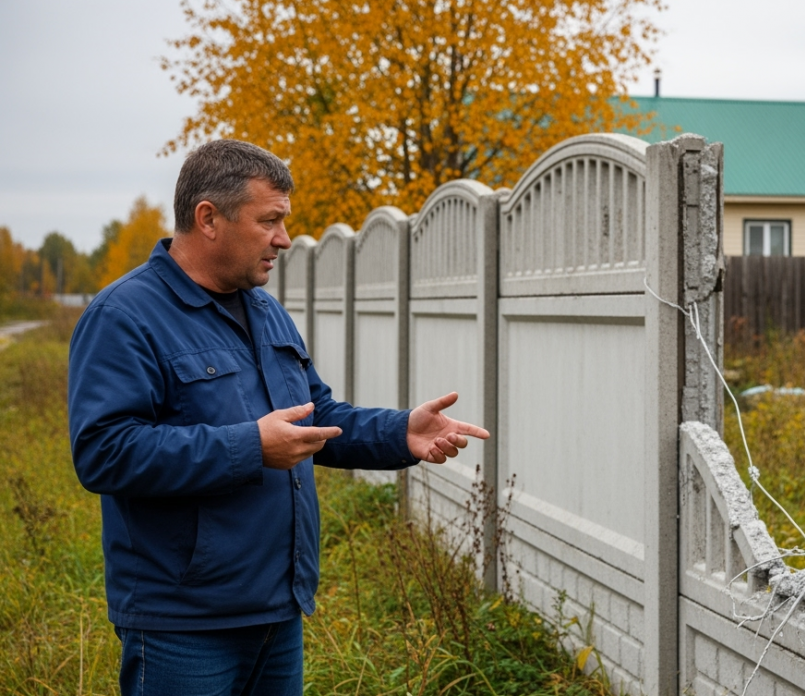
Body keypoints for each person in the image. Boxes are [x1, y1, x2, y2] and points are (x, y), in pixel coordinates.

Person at [67, 139, 490, 696]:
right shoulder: (124, 317)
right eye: (270, 221)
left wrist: (399, 431)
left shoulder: (264, 310)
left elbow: (315, 418)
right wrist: (249, 447)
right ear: (208, 218)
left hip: (278, 610)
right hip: (183, 624)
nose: (284, 240)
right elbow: (104, 452)